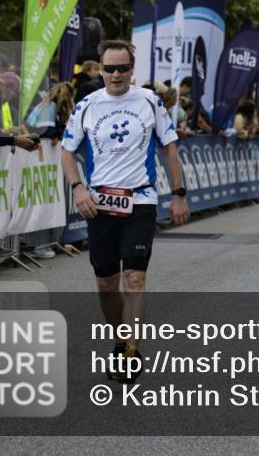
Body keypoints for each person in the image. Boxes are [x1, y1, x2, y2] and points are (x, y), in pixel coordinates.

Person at [61, 39, 189, 382]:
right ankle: (120, 340)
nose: (116, 75)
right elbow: (67, 151)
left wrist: (178, 194)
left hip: (140, 200)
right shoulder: (87, 105)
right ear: (100, 70)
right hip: (100, 204)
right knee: (106, 284)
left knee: (135, 277)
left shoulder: (149, 101)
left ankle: (131, 350)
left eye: (122, 69)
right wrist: (78, 188)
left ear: (132, 70)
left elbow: (170, 148)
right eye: (109, 69)